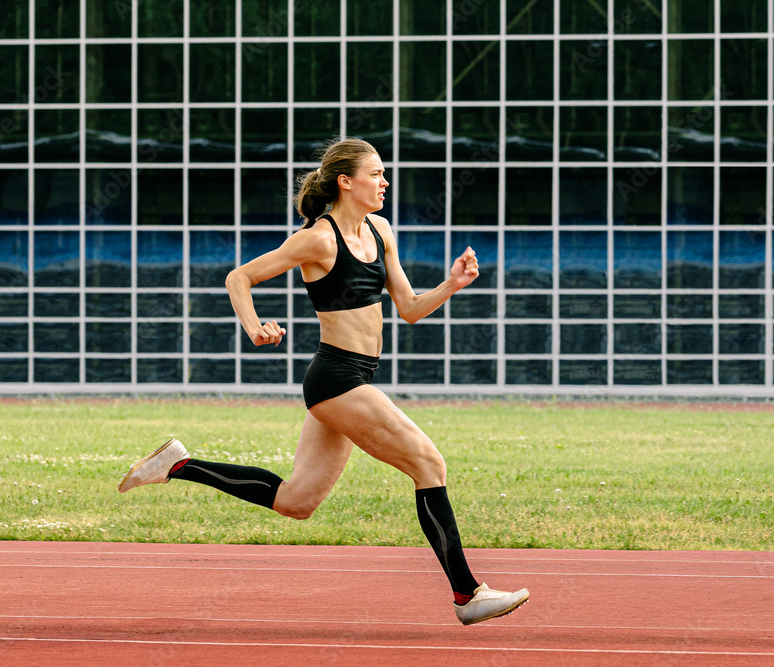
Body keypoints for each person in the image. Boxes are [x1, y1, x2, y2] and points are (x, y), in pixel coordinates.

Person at [118, 137, 529, 625]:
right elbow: (238, 278)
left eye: (384, 174)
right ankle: (468, 593)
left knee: (297, 502)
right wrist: (254, 326)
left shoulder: (380, 230)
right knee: (428, 462)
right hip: (337, 378)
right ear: (345, 181)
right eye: (376, 174)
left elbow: (410, 310)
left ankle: (180, 465)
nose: (384, 182)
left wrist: (451, 284)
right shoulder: (318, 238)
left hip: (353, 378)